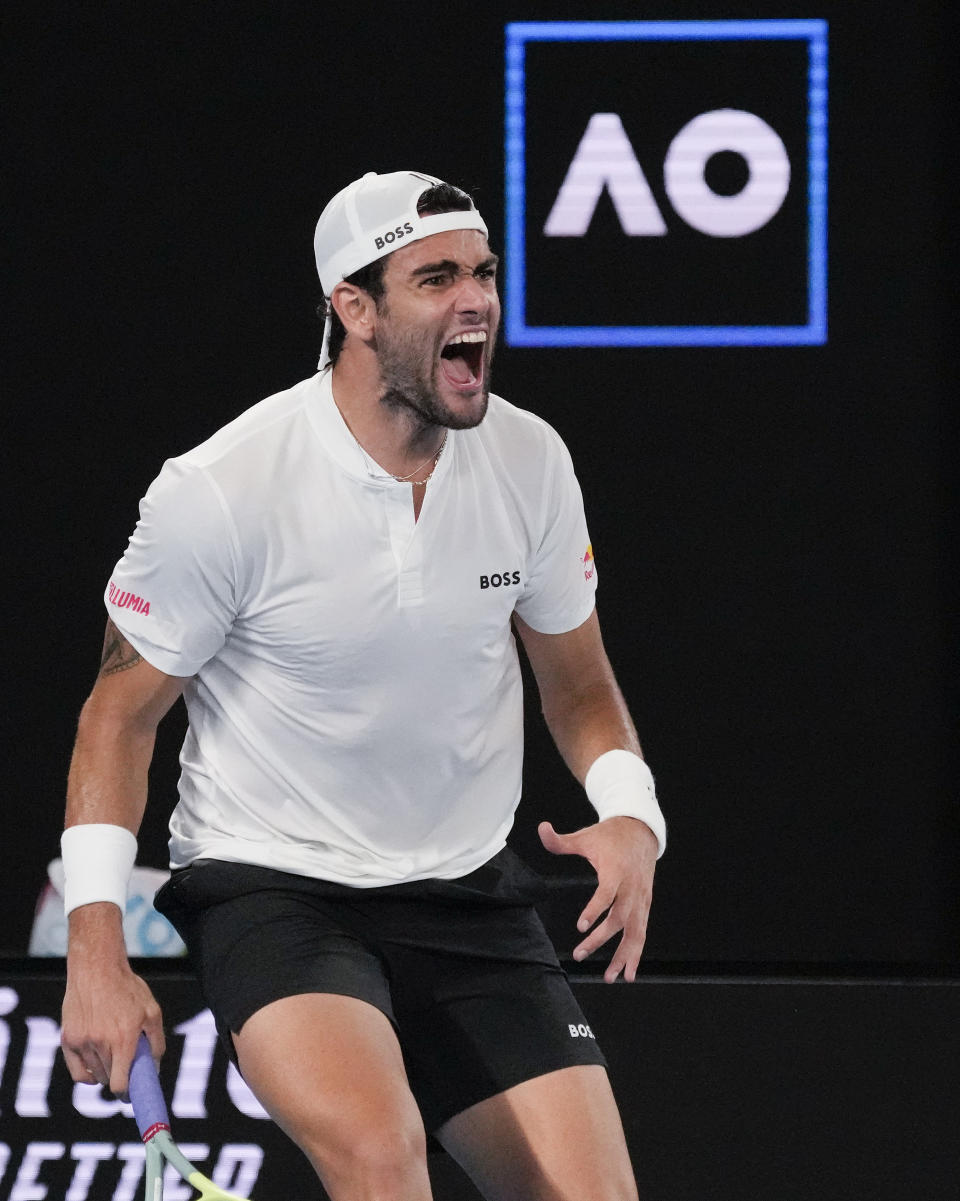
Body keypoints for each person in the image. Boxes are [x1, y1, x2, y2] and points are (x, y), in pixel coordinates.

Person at [60, 170, 666, 1201]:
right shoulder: (224, 489)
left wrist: (632, 816)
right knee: (384, 1162)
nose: (475, 298)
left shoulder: (532, 462)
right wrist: (95, 955)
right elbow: (117, 717)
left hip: (468, 895)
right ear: (355, 308)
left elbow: (580, 688)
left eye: (482, 271)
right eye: (434, 277)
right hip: (277, 888)